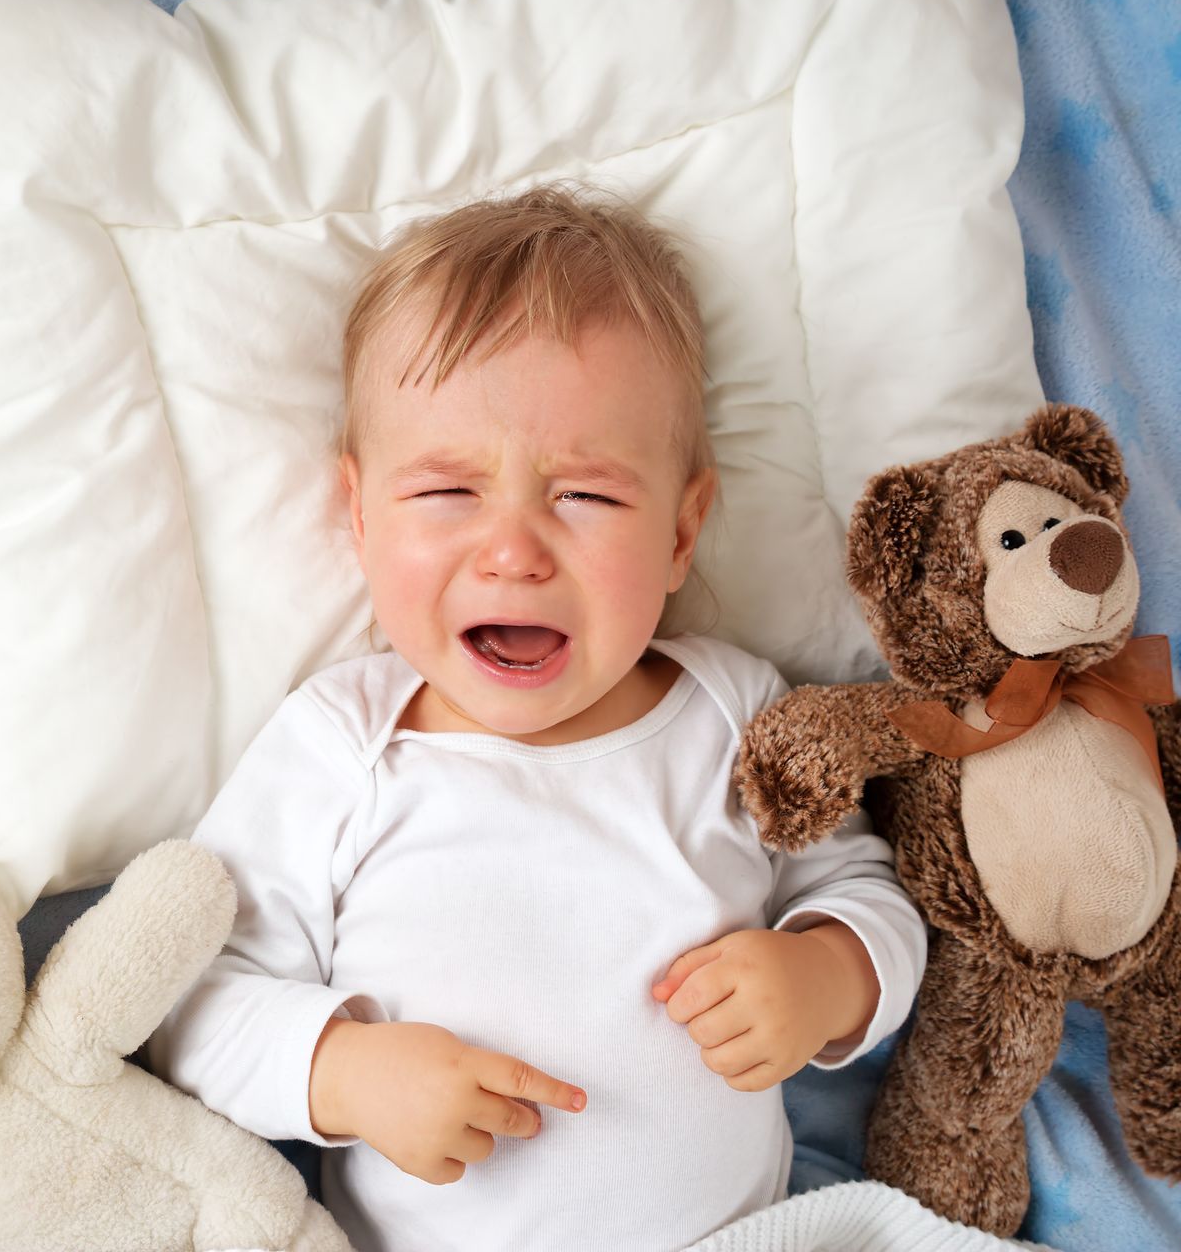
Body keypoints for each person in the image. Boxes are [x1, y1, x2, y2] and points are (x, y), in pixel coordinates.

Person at [144, 183, 926, 1252]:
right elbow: (190, 998)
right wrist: (343, 1071)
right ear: (362, 515)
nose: (513, 549)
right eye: (448, 494)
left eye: (587, 497)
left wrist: (827, 973)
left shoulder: (734, 710)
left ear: (683, 531)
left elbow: (868, 889)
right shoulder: (342, 744)